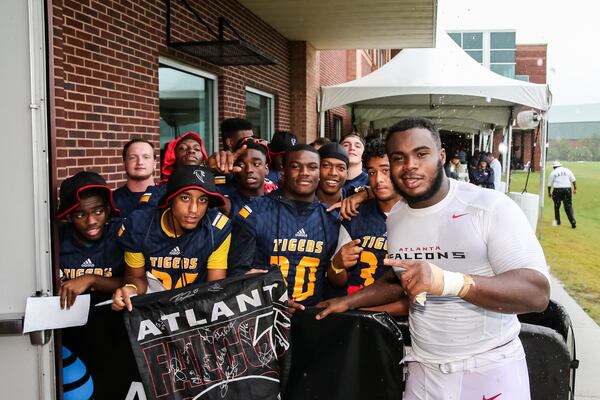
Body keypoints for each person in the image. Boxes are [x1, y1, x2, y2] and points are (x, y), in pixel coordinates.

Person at [317, 117, 550, 400]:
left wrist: (449, 282)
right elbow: (402, 276)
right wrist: (347, 302)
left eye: (421, 154)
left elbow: (537, 293)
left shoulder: (488, 206)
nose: (410, 165)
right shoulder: (398, 216)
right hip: (424, 369)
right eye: (399, 157)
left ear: (441, 157)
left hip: (489, 367)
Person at [228, 144, 340, 306]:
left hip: (313, 318)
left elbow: (333, 279)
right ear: (283, 172)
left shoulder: (331, 218)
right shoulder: (255, 212)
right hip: (264, 316)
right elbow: (235, 274)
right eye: (295, 166)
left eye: (312, 167)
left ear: (319, 173)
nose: (304, 173)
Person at [112, 166, 231, 311]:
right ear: (171, 198)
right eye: (185, 198)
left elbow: (214, 289)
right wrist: (131, 289)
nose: (194, 209)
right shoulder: (139, 226)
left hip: (197, 309)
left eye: (202, 200)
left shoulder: (216, 229)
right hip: (153, 309)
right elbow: (136, 279)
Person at [328, 138, 407, 316]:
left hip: (390, 318)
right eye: (372, 172)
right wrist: (337, 265)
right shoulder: (355, 215)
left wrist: (365, 312)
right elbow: (337, 280)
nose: (378, 179)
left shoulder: (416, 216)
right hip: (353, 313)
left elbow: (419, 298)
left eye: (386, 171)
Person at [57, 171, 124, 308]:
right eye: (81, 215)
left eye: (98, 211)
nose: (91, 221)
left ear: (107, 209)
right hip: (69, 320)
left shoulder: (120, 233)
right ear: (69, 217)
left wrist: (91, 279)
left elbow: (134, 281)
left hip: (114, 317)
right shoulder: (58, 239)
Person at [113, 138, 161, 217]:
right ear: (124, 163)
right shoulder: (112, 201)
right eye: (133, 157)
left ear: (155, 163)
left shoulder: (168, 198)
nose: (140, 162)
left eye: (146, 157)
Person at [225, 138, 272, 217]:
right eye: (241, 165)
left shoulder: (277, 201)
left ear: (266, 169)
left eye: (256, 164)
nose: (249, 170)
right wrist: (209, 168)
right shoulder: (227, 204)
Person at [548, 160, 577, 228]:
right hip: (567, 189)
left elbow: (549, 185)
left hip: (557, 190)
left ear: (554, 167)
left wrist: (549, 192)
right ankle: (572, 221)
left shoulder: (553, 173)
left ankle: (558, 222)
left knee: (557, 206)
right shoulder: (567, 170)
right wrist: (575, 189)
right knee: (568, 206)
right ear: (560, 165)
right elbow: (573, 180)